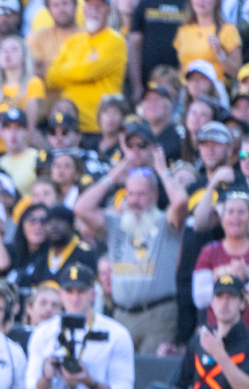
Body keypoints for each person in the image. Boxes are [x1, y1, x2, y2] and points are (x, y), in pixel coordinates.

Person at [73, 155, 189, 354]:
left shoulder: (165, 222)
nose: (135, 201)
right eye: (131, 194)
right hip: (121, 314)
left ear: (154, 193)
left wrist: (162, 171)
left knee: (149, 376)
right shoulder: (116, 223)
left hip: (157, 315)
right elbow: (81, 208)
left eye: (141, 194)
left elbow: (180, 201)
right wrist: (113, 175)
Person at [192, 191, 249, 337]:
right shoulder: (209, 252)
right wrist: (229, 281)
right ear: (222, 219)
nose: (235, 217)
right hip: (221, 338)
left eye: (241, 212)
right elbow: (199, 298)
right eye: (230, 212)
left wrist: (247, 280)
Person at [45, 0, 127, 135]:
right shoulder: (73, 41)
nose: (93, 10)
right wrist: (82, 68)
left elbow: (87, 72)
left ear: (108, 11)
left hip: (98, 127)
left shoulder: (115, 41)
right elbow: (51, 77)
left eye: (98, 7)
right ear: (83, 10)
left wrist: (66, 71)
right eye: (89, 6)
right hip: (69, 127)